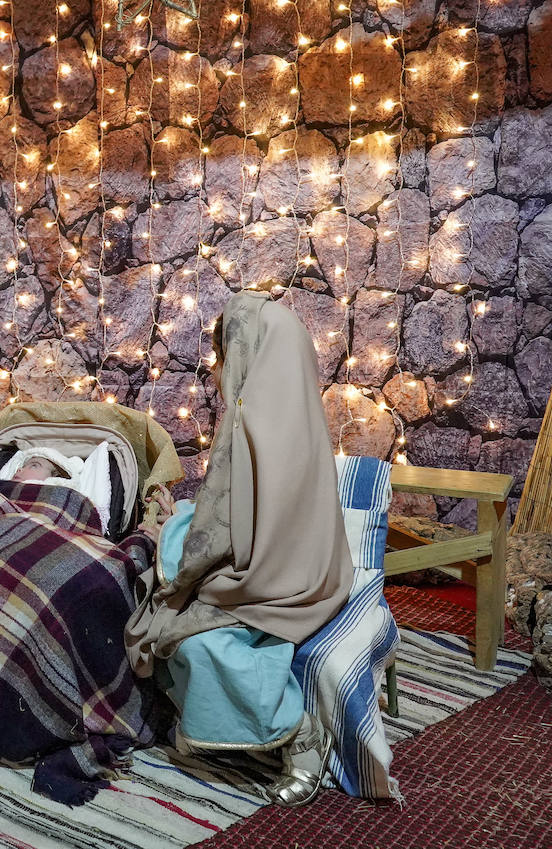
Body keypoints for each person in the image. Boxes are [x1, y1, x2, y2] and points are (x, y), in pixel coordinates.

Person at [125, 290, 353, 807]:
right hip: (313, 570)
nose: (220, 369)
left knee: (178, 632)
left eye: (224, 355)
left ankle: (298, 736)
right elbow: (246, 521)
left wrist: (168, 536)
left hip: (263, 584)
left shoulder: (248, 423)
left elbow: (222, 537)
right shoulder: (298, 410)